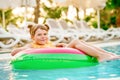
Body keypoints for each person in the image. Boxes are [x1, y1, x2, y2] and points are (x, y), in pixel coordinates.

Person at [11, 24, 120, 62]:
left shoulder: (49, 43)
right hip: (55, 57)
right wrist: (26, 49)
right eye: (39, 35)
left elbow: (52, 48)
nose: (43, 37)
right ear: (32, 37)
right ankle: (101, 56)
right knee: (76, 41)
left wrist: (59, 45)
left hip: (60, 53)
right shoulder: (31, 45)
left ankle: (107, 54)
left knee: (80, 41)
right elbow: (13, 52)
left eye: (45, 34)